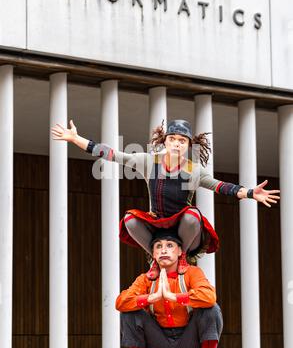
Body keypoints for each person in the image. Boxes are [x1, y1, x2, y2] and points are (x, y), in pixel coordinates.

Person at [51, 118, 280, 277]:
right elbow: (113, 155)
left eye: (182, 141)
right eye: (173, 139)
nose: (177, 144)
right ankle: (155, 260)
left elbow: (220, 186)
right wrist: (76, 139)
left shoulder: (193, 169)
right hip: (157, 228)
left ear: (188, 145)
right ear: (165, 141)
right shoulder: (149, 162)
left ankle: (181, 258)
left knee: (192, 216)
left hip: (183, 230)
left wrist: (250, 192)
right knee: (129, 219)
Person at [115, 227, 224, 348]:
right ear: (153, 254)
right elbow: (121, 302)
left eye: (169, 245)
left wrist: (173, 296)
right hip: (161, 346)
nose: (163, 250)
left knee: (211, 309)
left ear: (180, 251)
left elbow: (209, 296)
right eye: (158, 246)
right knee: (128, 312)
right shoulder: (146, 279)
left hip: (191, 345)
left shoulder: (193, 273)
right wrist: (150, 298)